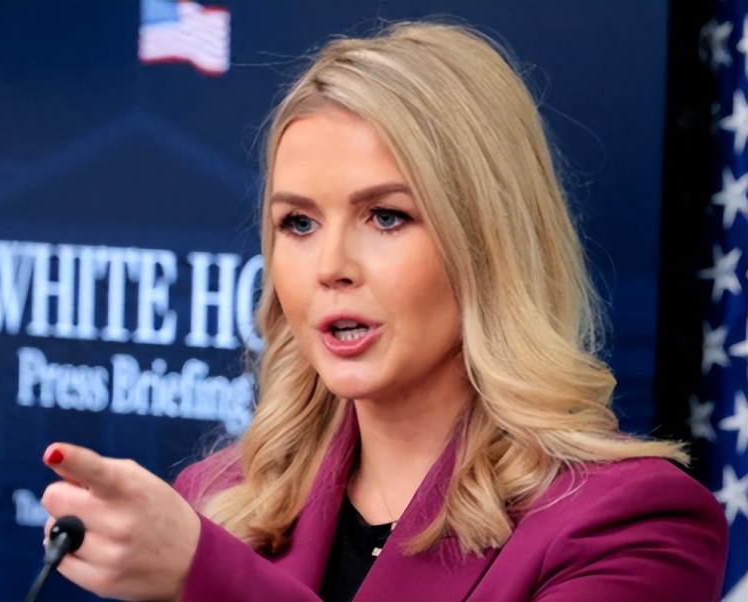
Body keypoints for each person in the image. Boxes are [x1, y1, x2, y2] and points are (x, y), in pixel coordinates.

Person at [39, 22, 728, 601]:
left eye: (386, 216)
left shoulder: (631, 525)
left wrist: (207, 574)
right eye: (299, 223)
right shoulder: (218, 500)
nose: (331, 265)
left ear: (487, 244)